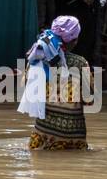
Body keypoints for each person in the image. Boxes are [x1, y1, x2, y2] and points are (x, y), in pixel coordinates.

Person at [18, 15, 90, 150]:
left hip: (43, 136)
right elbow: (89, 100)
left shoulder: (37, 59)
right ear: (74, 40)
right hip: (74, 139)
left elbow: (26, 90)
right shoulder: (81, 63)